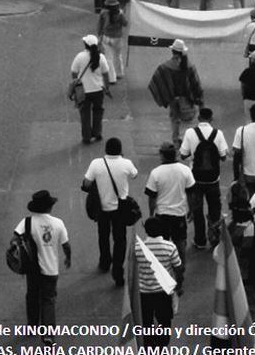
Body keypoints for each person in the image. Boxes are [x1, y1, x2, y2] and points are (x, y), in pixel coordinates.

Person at [13, 190, 70, 342]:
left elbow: (15, 239)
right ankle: (48, 334)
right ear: (49, 207)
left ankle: (32, 325)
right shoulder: (58, 223)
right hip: (51, 269)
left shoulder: (26, 222)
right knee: (48, 300)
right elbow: (66, 245)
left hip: (33, 270)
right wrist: (68, 258)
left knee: (32, 296)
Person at [82, 137, 138, 286]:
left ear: (106, 149)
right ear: (120, 150)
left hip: (102, 208)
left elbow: (86, 183)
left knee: (103, 235)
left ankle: (105, 261)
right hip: (121, 208)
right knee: (120, 239)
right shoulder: (126, 163)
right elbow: (134, 175)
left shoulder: (96, 163)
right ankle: (118, 271)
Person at [179, 108, 229, 250]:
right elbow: (224, 156)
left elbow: (183, 154)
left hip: (196, 179)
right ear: (211, 118)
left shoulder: (190, 133)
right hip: (213, 179)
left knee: (197, 210)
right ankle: (214, 238)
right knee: (214, 209)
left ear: (199, 118)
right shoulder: (218, 134)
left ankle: (199, 240)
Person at [145, 142, 196, 273]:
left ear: (162, 155)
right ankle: (181, 267)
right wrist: (191, 210)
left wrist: (151, 214)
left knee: (162, 243)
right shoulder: (185, 170)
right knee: (180, 242)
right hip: (179, 214)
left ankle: (163, 270)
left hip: (161, 214)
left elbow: (152, 196)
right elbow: (191, 192)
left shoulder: (155, 173)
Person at [135, 217, 183, 346]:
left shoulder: (138, 248)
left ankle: (149, 346)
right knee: (164, 321)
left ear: (146, 231)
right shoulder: (170, 247)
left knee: (146, 322)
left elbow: (133, 272)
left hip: (144, 292)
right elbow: (178, 268)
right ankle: (162, 346)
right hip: (163, 292)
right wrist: (179, 286)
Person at [148, 39, 204, 145]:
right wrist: (200, 101)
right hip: (187, 100)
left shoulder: (166, 66)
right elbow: (196, 85)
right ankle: (187, 144)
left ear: (172, 51)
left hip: (173, 100)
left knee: (175, 121)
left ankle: (176, 142)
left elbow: (157, 80)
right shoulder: (189, 66)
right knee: (187, 123)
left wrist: (167, 96)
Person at [70, 34, 110, 144]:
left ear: (85, 45)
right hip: (98, 90)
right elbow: (106, 74)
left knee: (85, 114)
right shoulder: (101, 57)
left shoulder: (80, 57)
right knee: (98, 112)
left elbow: (74, 72)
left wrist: (76, 83)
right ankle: (97, 133)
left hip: (84, 91)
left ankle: (86, 136)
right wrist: (107, 87)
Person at [97, 0, 128, 84]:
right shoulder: (120, 14)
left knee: (108, 58)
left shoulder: (103, 13)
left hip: (106, 37)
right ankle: (119, 73)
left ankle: (111, 78)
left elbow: (100, 25)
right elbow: (125, 23)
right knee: (118, 56)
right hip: (117, 38)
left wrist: (99, 36)